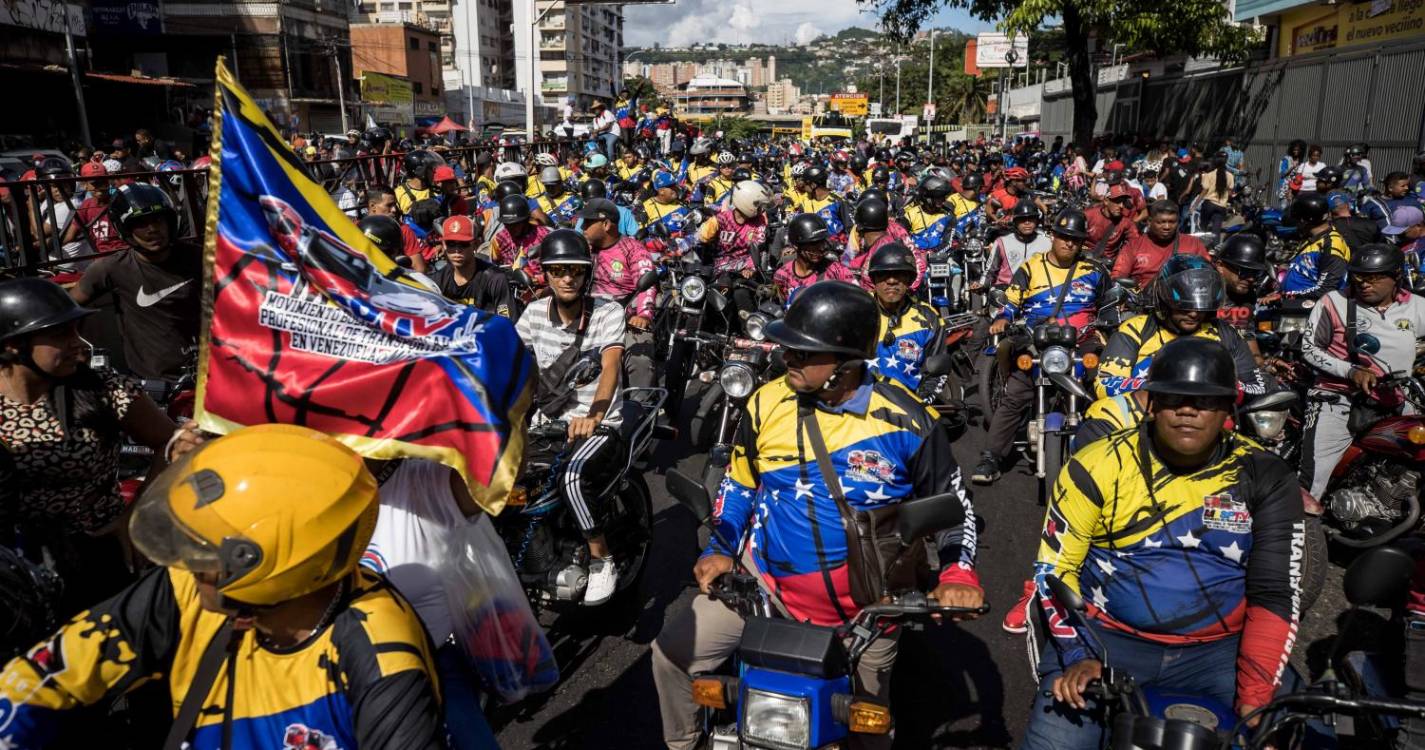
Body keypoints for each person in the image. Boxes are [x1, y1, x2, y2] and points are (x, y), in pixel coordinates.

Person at [650, 281, 982, 750]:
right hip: (763, 590)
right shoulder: (765, 402)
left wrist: (958, 573)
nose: (788, 360)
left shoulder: (909, 421)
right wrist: (720, 548)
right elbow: (740, 482)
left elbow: (955, 505)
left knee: (873, 730)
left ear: (845, 363)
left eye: (803, 354)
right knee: (670, 656)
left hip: (867, 612)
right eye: (788, 349)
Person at [0, 423, 448, 748]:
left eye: (207, 549)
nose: (187, 562)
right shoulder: (184, 590)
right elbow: (47, 675)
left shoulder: (379, 650)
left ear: (269, 561)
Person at [1022, 337, 1304, 749]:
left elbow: (1276, 593)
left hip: (1219, 653)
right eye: (1173, 398)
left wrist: (1254, 700)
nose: (1187, 410)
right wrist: (1079, 654)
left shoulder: (1266, 475)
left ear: (1229, 410)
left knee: (1299, 733)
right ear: (1150, 404)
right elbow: (1054, 570)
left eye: (1206, 402)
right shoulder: (1095, 463)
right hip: (1105, 641)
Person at [0, 277, 186, 610]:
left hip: (100, 555)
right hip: (16, 576)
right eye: (60, 334)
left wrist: (135, 517)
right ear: (14, 345)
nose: (78, 343)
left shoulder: (100, 387)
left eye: (76, 330)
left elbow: (173, 442)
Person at [514, 230, 629, 605]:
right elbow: (512, 361)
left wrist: (594, 415)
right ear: (545, 275)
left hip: (597, 425)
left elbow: (610, 367)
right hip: (545, 425)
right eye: (558, 271)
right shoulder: (533, 314)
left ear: (587, 274)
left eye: (575, 271)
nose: (567, 278)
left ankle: (601, 558)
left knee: (573, 476)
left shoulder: (608, 312)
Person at [973, 209, 1108, 486]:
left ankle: (1110, 459)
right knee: (1016, 394)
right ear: (1053, 236)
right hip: (1038, 341)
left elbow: (1110, 301)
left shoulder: (1095, 270)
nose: (1069, 243)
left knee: (1105, 391)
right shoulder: (1031, 267)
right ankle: (992, 457)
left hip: (1084, 341)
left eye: (1075, 239)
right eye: (1063, 236)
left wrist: (1113, 315)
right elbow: (1010, 300)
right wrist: (1002, 318)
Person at [1299, 243, 1425, 499]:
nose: (1364, 283)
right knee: (1313, 483)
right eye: (1358, 276)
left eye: (1374, 277)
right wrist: (1350, 371)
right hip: (1337, 399)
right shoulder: (1334, 302)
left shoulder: (1418, 307)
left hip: (1398, 399)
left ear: (1396, 276)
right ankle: (1298, 532)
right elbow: (1309, 349)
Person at [71, 183, 200, 380]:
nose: (152, 229)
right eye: (141, 223)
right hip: (155, 385)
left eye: (158, 220)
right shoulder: (112, 267)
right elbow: (68, 307)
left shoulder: (197, 257)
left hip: (210, 373)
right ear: (125, 229)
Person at [1096, 255, 1269, 399]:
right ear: (1165, 300)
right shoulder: (1135, 329)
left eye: (1200, 308)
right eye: (1184, 307)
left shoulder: (1225, 334)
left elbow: (1258, 388)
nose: (1194, 314)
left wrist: (1216, 385)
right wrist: (1166, 387)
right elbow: (1105, 384)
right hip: (1147, 418)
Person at [582, 198, 657, 389]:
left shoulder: (633, 249)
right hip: (588, 314)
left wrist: (643, 315)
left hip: (626, 314)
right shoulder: (583, 248)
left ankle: (643, 408)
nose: (582, 227)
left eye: (588, 223)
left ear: (606, 224)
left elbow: (647, 283)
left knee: (639, 361)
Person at [866, 243, 942, 393]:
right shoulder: (856, 311)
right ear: (874, 280)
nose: (892, 281)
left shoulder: (929, 318)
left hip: (908, 409)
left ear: (909, 279)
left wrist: (922, 402)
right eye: (883, 274)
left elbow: (936, 374)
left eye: (899, 274)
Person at [1110, 199, 1211, 288]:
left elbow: (1208, 273)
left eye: (1172, 222)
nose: (1167, 227)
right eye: (1161, 222)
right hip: (1146, 304)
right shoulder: (1133, 246)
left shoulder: (1193, 244)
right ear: (1149, 222)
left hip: (1184, 303)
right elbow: (1118, 277)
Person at [430, 214, 515, 318]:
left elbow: (507, 324)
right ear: (443, 245)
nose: (457, 250)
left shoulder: (495, 280)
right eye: (451, 244)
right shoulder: (436, 281)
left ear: (475, 244)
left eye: (463, 244)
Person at [771, 212, 854, 305]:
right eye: (813, 243)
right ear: (796, 245)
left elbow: (855, 297)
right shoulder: (782, 276)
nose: (821, 248)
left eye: (822, 242)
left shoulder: (838, 271)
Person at [1280, 191, 1350, 300]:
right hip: (1293, 308)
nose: (1297, 223)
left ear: (1304, 220)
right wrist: (1279, 292)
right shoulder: (1311, 240)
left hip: (1312, 310)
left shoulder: (1332, 243)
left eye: (1298, 219)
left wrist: (1290, 295)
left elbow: (1326, 289)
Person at [1214, 233, 1273, 342]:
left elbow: (1247, 338)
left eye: (1256, 273)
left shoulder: (1247, 296)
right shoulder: (1200, 292)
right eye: (1244, 271)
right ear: (1220, 266)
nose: (1251, 279)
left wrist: (1261, 359)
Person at [980, 201, 1051, 290]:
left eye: (1031, 218)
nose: (1027, 222)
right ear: (1015, 221)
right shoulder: (1001, 242)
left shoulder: (1048, 243)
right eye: (1022, 219)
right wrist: (981, 285)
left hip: (1036, 293)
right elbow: (990, 270)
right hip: (1006, 292)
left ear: (1037, 221)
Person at [489, 193, 552, 287]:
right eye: (507, 224)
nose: (510, 228)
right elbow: (493, 266)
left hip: (543, 286)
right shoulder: (499, 239)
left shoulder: (544, 235)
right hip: (513, 288)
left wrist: (539, 279)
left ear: (525, 220)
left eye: (515, 224)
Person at [73, 161, 129, 254]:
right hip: (100, 256)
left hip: (123, 253)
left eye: (103, 182)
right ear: (85, 185)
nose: (101, 187)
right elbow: (71, 234)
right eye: (95, 183)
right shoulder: (86, 205)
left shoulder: (120, 201)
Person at [1083, 184, 1140, 264]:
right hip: (1084, 259)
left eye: (1123, 202)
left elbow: (1136, 244)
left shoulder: (1126, 223)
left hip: (1106, 265)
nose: (1121, 206)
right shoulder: (1088, 215)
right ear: (1106, 201)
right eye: (1117, 201)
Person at [903, 176, 955, 253]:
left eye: (943, 197)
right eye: (938, 197)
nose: (943, 201)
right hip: (913, 256)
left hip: (939, 259)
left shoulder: (947, 216)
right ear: (927, 197)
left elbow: (948, 243)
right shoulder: (909, 215)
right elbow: (901, 239)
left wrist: (932, 253)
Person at [396, 149, 441, 214]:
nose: (434, 171)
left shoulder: (436, 191)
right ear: (420, 171)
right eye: (431, 168)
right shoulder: (399, 194)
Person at [1277, 139, 1306, 205]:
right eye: (1294, 150)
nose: (1295, 151)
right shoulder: (1286, 159)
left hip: (1296, 187)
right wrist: (1292, 166)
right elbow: (1282, 173)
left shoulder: (1301, 162)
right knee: (1284, 207)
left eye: (1298, 150)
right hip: (1285, 187)